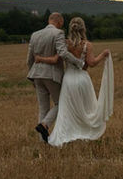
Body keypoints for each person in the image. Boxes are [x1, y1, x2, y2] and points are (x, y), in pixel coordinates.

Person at [33, 16, 114, 147]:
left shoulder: (65, 44)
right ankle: (85, 131)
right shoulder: (87, 45)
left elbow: (56, 59)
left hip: (68, 80)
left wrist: (40, 59)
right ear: (83, 29)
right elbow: (92, 63)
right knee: (87, 108)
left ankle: (66, 133)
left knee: (68, 109)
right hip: (82, 79)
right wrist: (103, 55)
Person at [27, 12, 86, 142]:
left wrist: (31, 77)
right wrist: (79, 63)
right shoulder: (58, 33)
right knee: (62, 103)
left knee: (43, 108)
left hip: (36, 75)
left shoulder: (35, 35)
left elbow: (29, 59)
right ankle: (44, 125)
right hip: (51, 75)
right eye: (61, 25)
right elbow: (63, 53)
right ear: (59, 22)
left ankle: (42, 141)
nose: (61, 27)